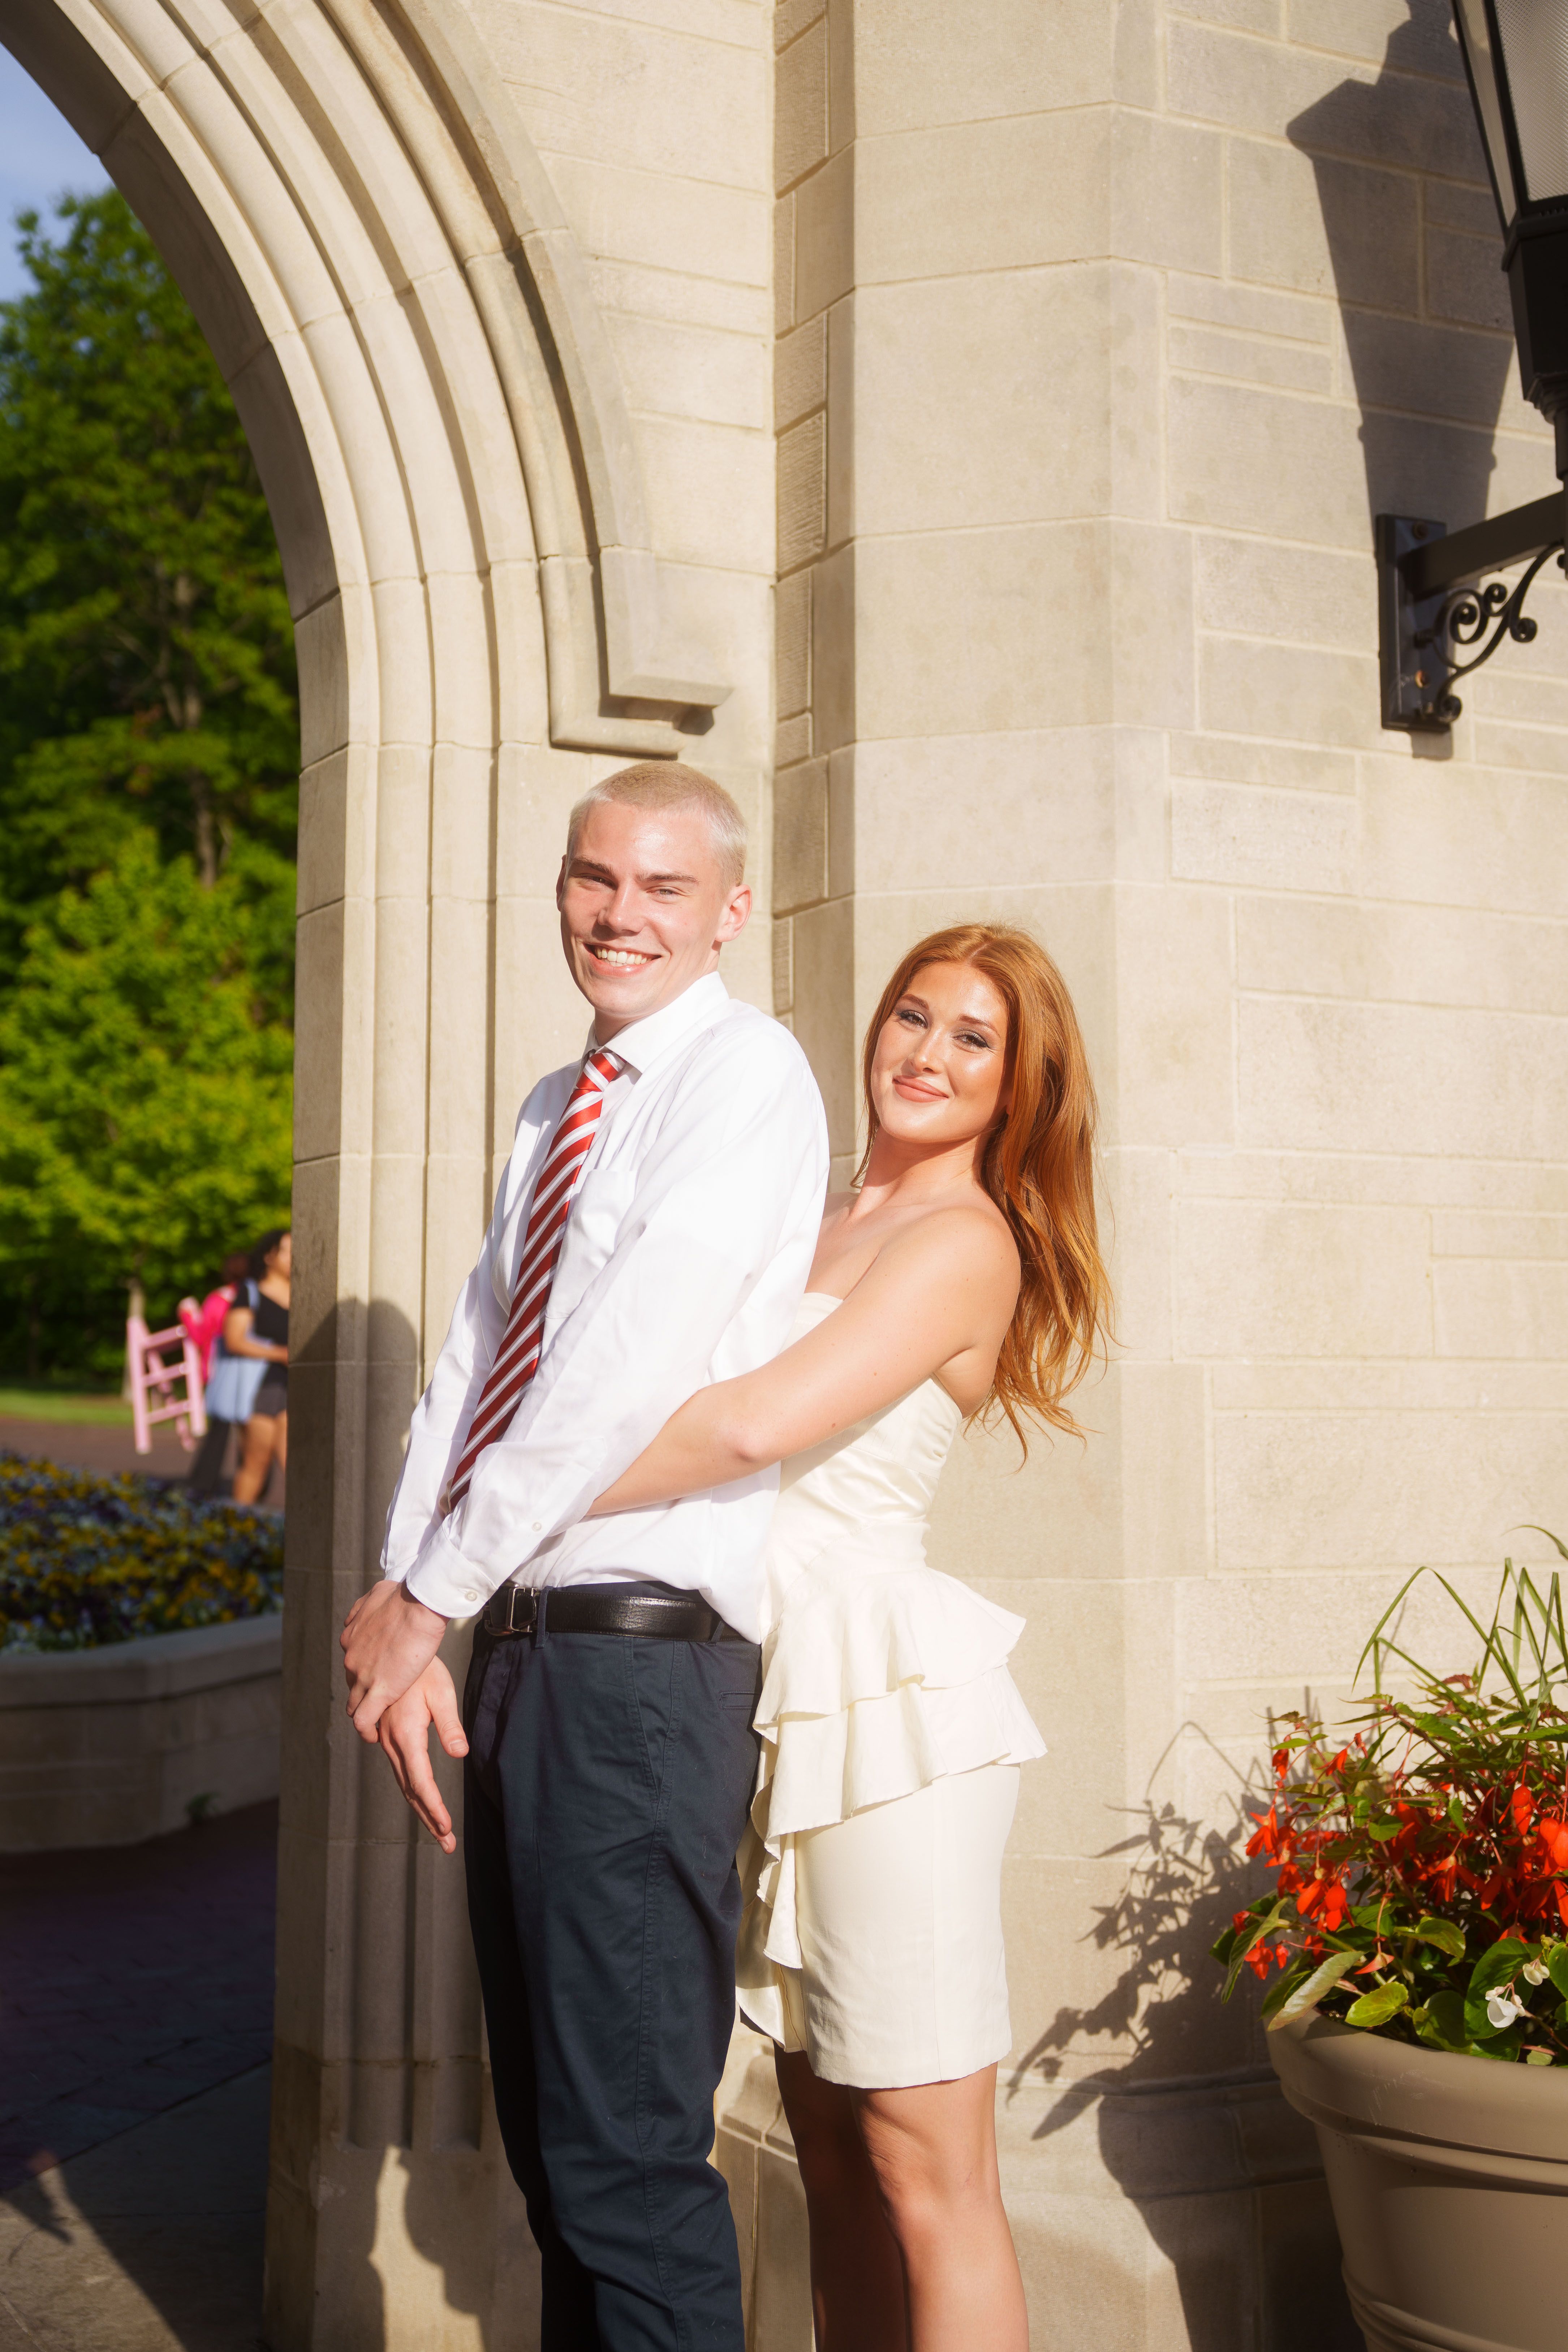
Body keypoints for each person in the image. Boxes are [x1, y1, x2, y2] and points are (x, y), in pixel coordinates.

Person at [340, 763, 828, 2352]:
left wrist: (427, 1599)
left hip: (639, 1662)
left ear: (729, 909)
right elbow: (476, 1365)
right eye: (592, 876)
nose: (619, 912)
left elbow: (613, 1368)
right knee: (563, 2165)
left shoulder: (742, 1074)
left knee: (624, 2167)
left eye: (663, 886)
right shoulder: (560, 1102)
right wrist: (409, 1597)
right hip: (532, 1648)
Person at [583, 923, 1113, 2352]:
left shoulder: (960, 1239)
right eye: (911, 1014)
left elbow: (748, 1426)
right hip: (761, 1698)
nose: (926, 1053)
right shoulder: (803, 1222)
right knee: (823, 2153)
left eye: (971, 1038)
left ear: (1016, 1090)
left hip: (881, 1715)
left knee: (928, 2169)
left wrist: (513, 1482)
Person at [224, 1229, 290, 1505]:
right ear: (269, 1256)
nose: (295, 1257)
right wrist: (279, 1353)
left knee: (298, 1467)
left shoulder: (308, 1293)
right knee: (256, 1464)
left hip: (295, 1389)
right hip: (260, 1389)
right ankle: (240, 1530)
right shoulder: (251, 1292)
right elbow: (234, 1341)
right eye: (288, 1251)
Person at [184, 1251, 253, 1496]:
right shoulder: (260, 1296)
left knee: (219, 1431)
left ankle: (203, 1482)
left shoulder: (220, 1299)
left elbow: (201, 1336)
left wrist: (187, 1316)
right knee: (252, 1434)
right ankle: (252, 1487)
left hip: (224, 1371)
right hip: (256, 1372)